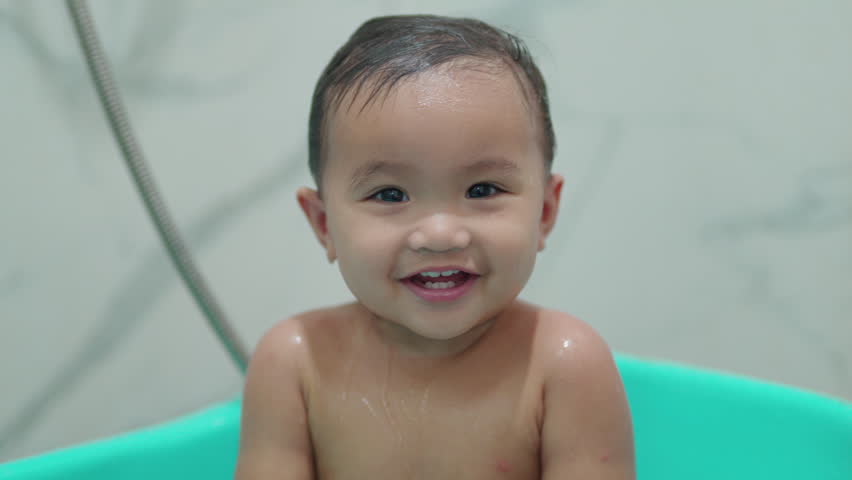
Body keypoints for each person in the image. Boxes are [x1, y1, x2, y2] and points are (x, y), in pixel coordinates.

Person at [235, 14, 634, 479]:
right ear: (324, 224)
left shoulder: (565, 366)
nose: (441, 234)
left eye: (483, 189)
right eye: (390, 195)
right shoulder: (294, 363)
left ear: (544, 212)